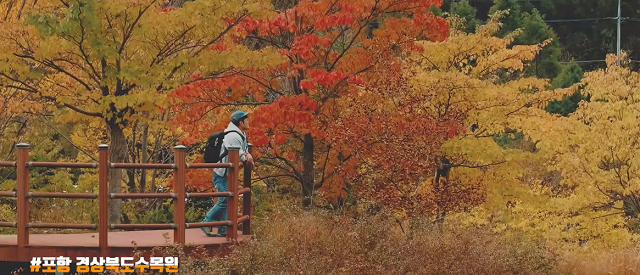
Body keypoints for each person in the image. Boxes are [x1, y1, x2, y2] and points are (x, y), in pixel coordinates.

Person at [201, 110, 254, 237]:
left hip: (226, 174)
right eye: (246, 120)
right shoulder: (233, 136)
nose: (248, 121)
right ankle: (206, 222)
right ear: (240, 122)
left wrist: (248, 154)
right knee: (224, 200)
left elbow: (244, 151)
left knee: (227, 199)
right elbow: (240, 154)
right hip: (221, 174)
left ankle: (223, 228)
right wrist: (247, 156)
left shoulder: (240, 134)